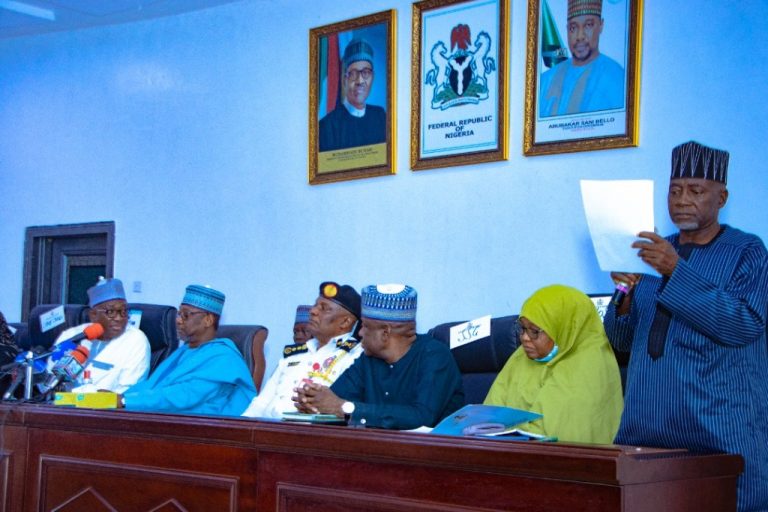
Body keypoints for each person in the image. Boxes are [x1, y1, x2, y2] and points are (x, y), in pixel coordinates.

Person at [604, 141, 768, 512]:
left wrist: (675, 270)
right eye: (675, 190)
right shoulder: (651, 252)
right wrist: (624, 293)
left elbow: (742, 324)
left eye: (696, 191)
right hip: (645, 433)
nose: (681, 200)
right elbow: (621, 341)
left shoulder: (747, 251)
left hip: (717, 435)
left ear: (722, 197)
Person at [294, 284, 464, 430]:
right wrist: (314, 402)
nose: (359, 333)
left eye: (365, 326)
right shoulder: (368, 359)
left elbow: (421, 417)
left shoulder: (434, 356)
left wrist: (345, 408)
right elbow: (334, 400)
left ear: (385, 333)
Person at [484, 285, 623, 443]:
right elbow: (486, 417)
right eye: (522, 328)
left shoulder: (588, 364)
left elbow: (558, 436)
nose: (525, 338)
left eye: (535, 331)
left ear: (564, 329)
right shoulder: (521, 357)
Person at [120, 285, 256, 416]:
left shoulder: (224, 358)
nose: (178, 320)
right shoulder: (185, 350)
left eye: (185, 315)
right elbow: (153, 386)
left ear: (208, 320)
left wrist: (126, 401)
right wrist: (118, 397)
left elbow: (183, 396)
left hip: (201, 431)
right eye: (179, 314)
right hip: (168, 422)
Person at [242, 282, 362, 419]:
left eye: (324, 308)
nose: (313, 311)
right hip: (269, 431)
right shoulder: (295, 355)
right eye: (316, 305)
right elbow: (261, 404)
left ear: (345, 322)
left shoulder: (355, 356)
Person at [49, 278, 150, 394]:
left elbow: (128, 392)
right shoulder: (72, 335)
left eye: (124, 311)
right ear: (93, 315)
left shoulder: (135, 340)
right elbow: (48, 384)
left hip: (106, 410)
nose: (119, 318)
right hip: (62, 407)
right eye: (110, 312)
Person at [539, 0, 624, 117]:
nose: (580, 36)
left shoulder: (617, 77)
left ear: (601, 26)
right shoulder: (545, 81)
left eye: (588, 25)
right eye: (573, 28)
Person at [318, 38, 386, 152]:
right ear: (345, 79)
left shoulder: (380, 117)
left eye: (365, 73)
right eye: (353, 74)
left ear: (372, 78)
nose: (360, 81)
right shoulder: (327, 126)